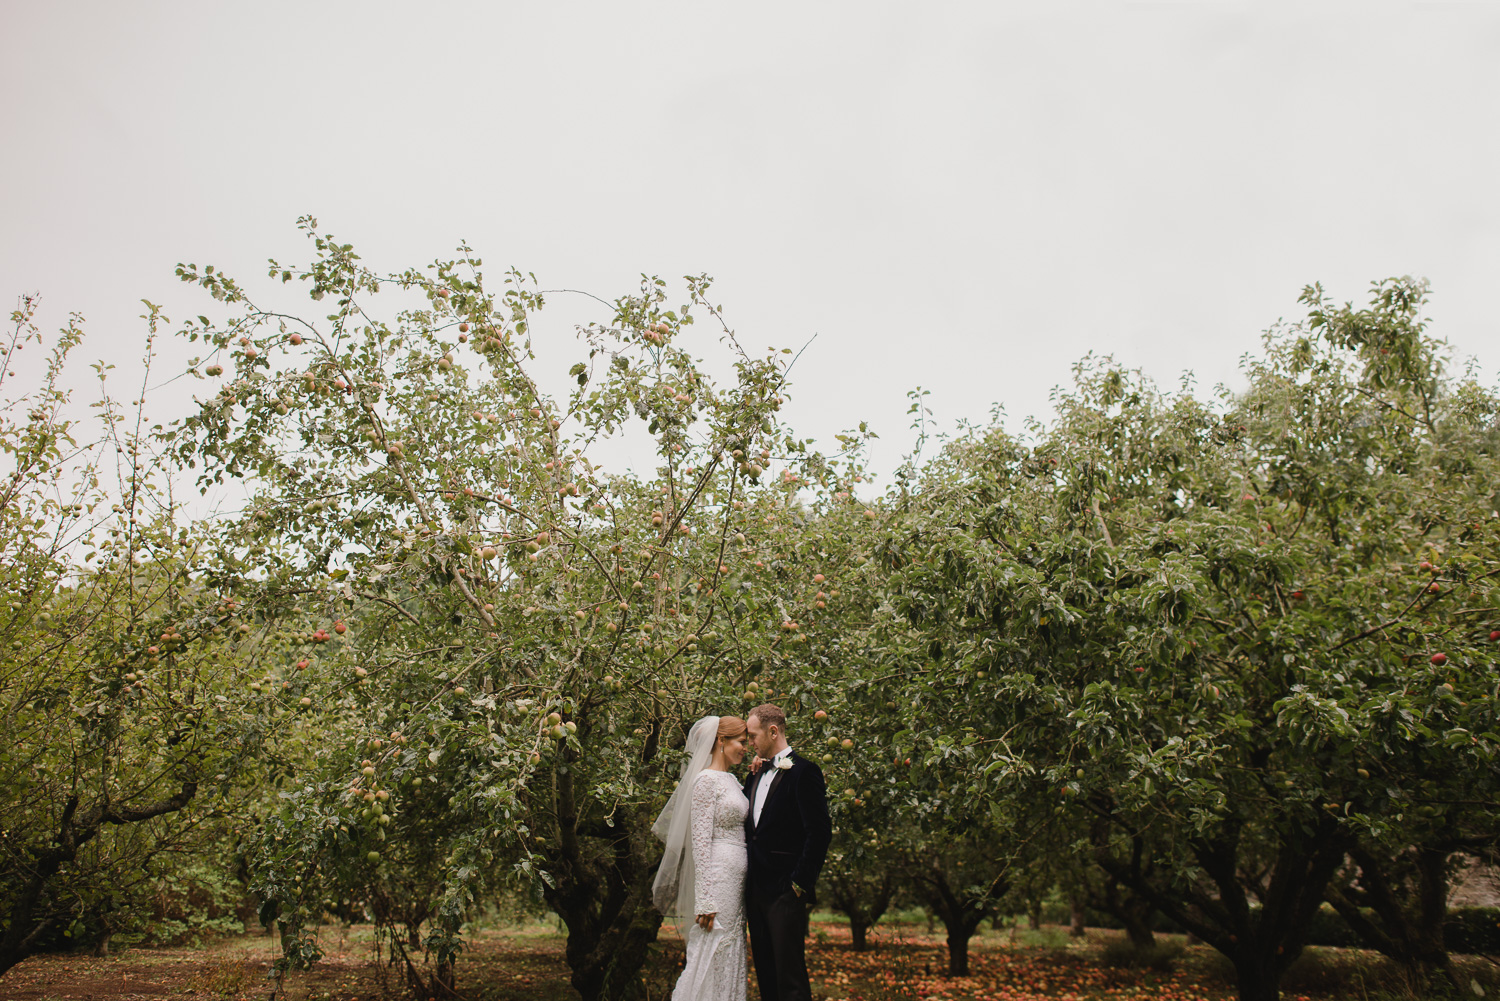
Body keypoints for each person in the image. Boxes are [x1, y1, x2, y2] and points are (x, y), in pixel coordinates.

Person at [652, 715, 752, 1001]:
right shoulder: (705, 781)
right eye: (741, 743)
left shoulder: (732, 779)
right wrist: (705, 898)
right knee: (713, 946)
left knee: (730, 946)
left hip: (736, 879)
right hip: (718, 877)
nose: (746, 749)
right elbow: (700, 842)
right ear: (721, 740)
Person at [742, 704, 832, 1001]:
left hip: (784, 892)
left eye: (753, 735)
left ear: (773, 731)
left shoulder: (805, 772)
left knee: (789, 979)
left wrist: (798, 884)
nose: (749, 742)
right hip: (755, 890)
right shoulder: (754, 775)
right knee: (767, 976)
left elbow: (818, 832)